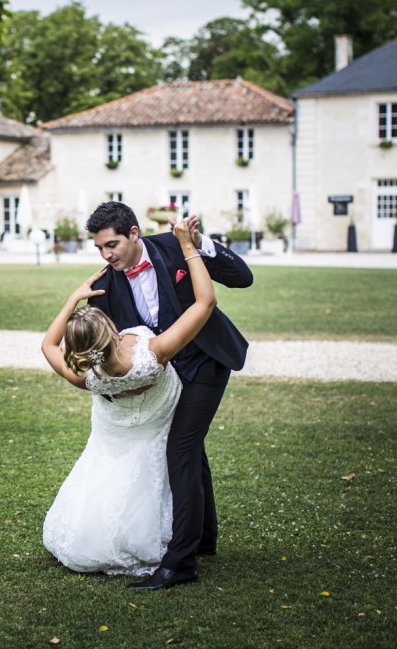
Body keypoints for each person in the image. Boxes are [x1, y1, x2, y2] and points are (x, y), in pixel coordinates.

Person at [85, 200, 252, 591]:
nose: (107, 256)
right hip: (168, 377)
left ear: (133, 233)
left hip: (207, 361)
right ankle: (205, 537)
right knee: (192, 451)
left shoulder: (177, 247)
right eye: (99, 249)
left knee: (179, 451)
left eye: (112, 245)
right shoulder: (104, 286)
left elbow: (243, 279)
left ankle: (180, 563)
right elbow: (104, 348)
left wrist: (201, 245)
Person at [40, 218, 216, 576]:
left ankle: (101, 535)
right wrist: (188, 247)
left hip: (117, 427)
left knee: (112, 471)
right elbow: (205, 302)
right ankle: (184, 539)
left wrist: (71, 299)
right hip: (157, 419)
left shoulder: (83, 376)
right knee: (173, 461)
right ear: (110, 330)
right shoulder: (154, 351)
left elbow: (47, 344)